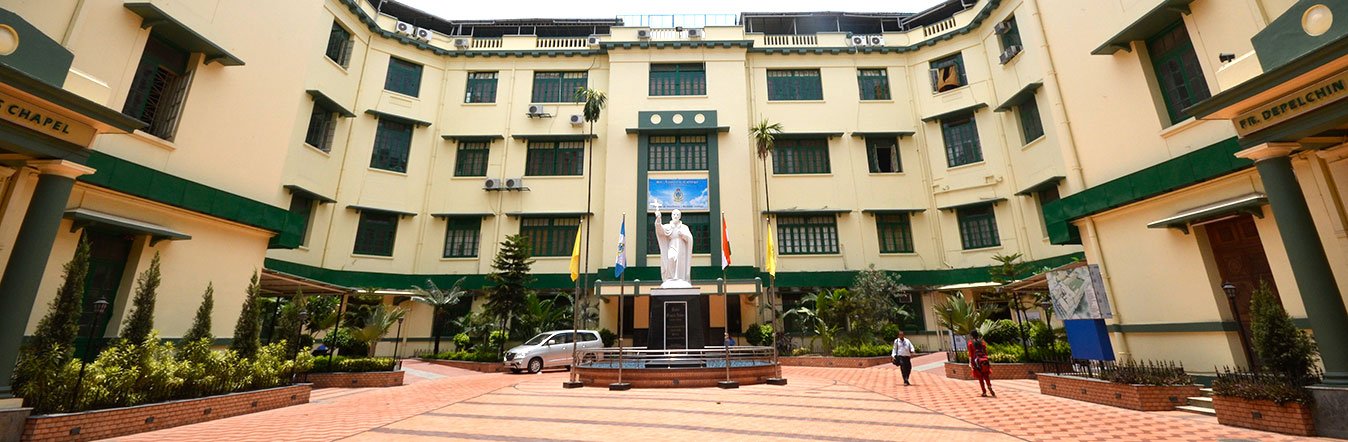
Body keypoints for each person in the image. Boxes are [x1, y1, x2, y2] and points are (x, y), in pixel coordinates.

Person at [967, 330, 995, 397]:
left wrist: (971, 363)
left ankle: (984, 392)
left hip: (976, 361)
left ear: (972, 336)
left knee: (980, 377)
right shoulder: (982, 342)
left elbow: (970, 354)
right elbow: (985, 352)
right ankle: (989, 385)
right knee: (986, 375)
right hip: (984, 360)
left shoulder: (970, 343)